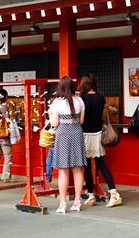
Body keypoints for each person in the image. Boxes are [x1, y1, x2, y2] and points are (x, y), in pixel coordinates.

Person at [79, 74, 122, 208]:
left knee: (86, 167)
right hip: (97, 134)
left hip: (85, 134)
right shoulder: (101, 98)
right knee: (101, 165)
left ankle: (91, 195)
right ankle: (113, 193)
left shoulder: (81, 99)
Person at [49, 76, 87, 213]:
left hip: (63, 135)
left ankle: (63, 203)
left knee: (63, 170)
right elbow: (81, 121)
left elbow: (54, 124)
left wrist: (50, 113)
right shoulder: (80, 101)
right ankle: (77, 201)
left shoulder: (57, 103)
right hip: (77, 134)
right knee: (78, 169)